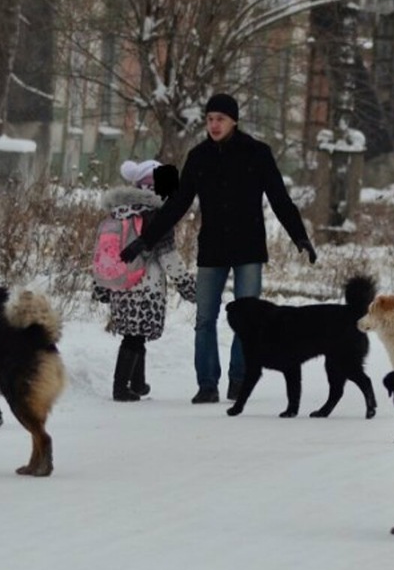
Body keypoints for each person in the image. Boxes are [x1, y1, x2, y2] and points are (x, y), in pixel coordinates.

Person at [120, 93, 316, 404]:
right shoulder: (199, 157)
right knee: (204, 319)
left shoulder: (257, 153)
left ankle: (239, 379)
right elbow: (178, 204)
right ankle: (207, 384)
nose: (213, 124)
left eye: (220, 119)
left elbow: (280, 198)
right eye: (210, 119)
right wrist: (146, 239)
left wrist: (299, 236)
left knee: (249, 319)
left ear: (234, 121)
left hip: (249, 248)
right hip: (212, 248)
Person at [94, 159, 196, 401]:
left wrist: (100, 285)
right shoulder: (157, 216)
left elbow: (102, 251)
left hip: (121, 283)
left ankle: (137, 383)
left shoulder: (117, 213)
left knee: (135, 334)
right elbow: (169, 256)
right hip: (146, 286)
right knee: (134, 337)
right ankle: (120, 388)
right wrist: (186, 285)